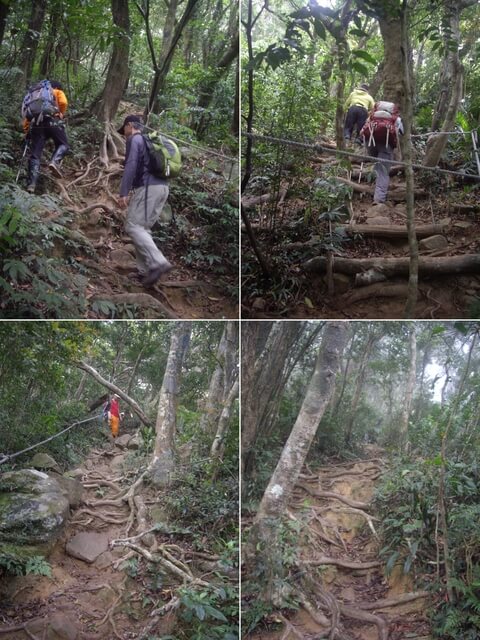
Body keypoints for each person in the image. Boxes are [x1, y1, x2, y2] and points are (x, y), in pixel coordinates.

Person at [118, 114, 173, 287]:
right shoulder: (149, 142)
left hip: (148, 188)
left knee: (133, 226)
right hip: (162, 188)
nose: (124, 133)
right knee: (142, 228)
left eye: (124, 129)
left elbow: (131, 165)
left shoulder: (135, 140)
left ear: (129, 126)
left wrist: (123, 192)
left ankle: (158, 262)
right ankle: (145, 271)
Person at [23, 80, 70, 193]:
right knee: (64, 144)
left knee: (35, 155)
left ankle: (32, 184)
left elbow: (26, 118)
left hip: (37, 124)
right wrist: (60, 113)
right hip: (53, 120)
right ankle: (54, 162)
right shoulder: (57, 91)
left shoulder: (34, 96)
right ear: (57, 87)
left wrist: (26, 132)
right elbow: (63, 102)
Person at [362, 101, 404, 204]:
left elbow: (363, 130)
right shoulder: (396, 119)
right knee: (383, 172)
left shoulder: (372, 116)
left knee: (377, 165)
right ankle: (379, 199)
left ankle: (376, 185)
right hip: (386, 146)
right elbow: (402, 132)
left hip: (370, 145)